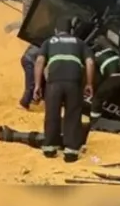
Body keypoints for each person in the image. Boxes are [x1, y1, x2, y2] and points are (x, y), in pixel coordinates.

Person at [32, 17, 94, 163]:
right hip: (74, 82)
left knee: (52, 113)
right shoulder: (79, 43)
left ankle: (50, 148)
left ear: (56, 31)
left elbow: (40, 61)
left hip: (54, 82)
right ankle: (71, 152)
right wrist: (89, 84)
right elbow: (90, 62)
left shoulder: (49, 42)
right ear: (71, 31)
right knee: (73, 114)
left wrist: (37, 86)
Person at [89, 37, 120, 125]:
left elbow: (97, 78)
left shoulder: (96, 57)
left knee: (97, 98)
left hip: (114, 78)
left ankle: (94, 123)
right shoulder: (113, 51)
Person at [18, 43, 41, 110]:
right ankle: (24, 103)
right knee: (32, 83)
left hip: (30, 59)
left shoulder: (40, 38)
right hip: (30, 61)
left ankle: (35, 98)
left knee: (41, 79)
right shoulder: (48, 42)